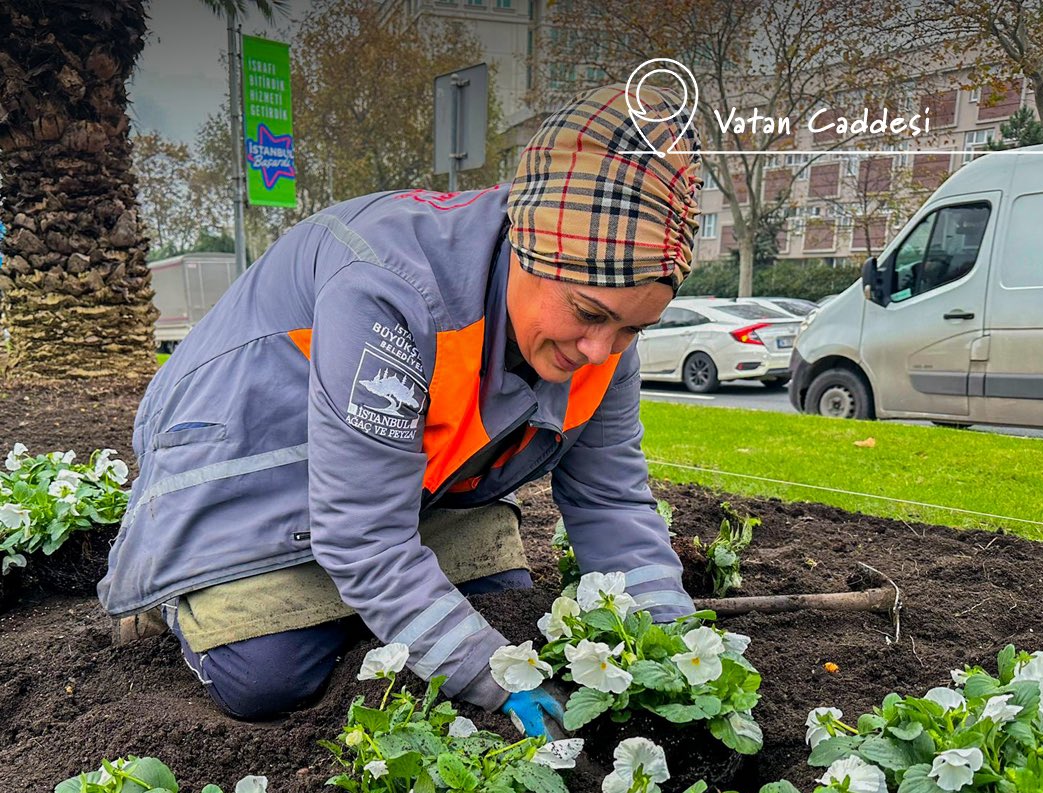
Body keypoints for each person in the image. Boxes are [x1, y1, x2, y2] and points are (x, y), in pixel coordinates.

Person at [99, 82, 703, 737]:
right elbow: (363, 535)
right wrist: (492, 681)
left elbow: (613, 502)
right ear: (527, 244)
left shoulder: (604, 334)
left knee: (504, 611)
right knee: (267, 677)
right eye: (588, 315)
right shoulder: (392, 292)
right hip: (249, 464)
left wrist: (673, 657)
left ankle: (366, 604)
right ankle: (186, 595)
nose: (599, 350)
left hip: (394, 491)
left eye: (631, 331)